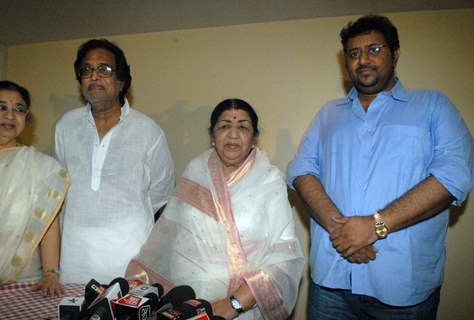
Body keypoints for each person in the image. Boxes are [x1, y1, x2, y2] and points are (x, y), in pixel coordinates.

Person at [287, 14, 473, 319]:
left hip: (403, 290)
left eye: (374, 49)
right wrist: (343, 232)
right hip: (331, 284)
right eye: (354, 53)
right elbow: (300, 170)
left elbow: (453, 176)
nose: (363, 60)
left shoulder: (433, 106)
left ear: (395, 54)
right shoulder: (328, 114)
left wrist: (374, 227)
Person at [126, 99, 304, 320]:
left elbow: (284, 258)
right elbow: (168, 236)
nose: (233, 134)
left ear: (254, 137)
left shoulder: (269, 181)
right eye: (224, 126)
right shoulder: (195, 171)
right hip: (186, 301)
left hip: (242, 308)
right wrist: (142, 279)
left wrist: (232, 304)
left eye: (242, 127)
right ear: (212, 135)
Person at [55, 39, 175, 284]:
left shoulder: (148, 131)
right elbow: (59, 187)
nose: (94, 76)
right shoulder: (66, 126)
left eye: (104, 69)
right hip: (74, 258)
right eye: (86, 70)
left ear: (121, 81)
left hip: (129, 258)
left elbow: (161, 192)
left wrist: (122, 219)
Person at [0, 81, 69, 300]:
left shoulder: (41, 167)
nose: (10, 115)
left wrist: (50, 273)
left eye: (19, 109)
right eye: (1, 107)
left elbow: (48, 225)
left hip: (21, 283)